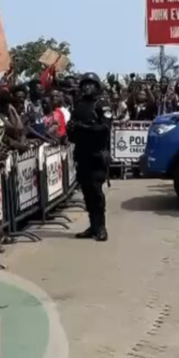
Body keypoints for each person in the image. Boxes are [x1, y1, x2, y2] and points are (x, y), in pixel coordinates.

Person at [68, 72, 110, 242]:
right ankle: (93, 226)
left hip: (97, 154)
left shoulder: (102, 105)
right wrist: (72, 129)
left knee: (96, 192)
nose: (87, 87)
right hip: (82, 154)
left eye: (90, 84)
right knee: (87, 192)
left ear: (97, 86)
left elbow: (104, 128)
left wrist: (84, 128)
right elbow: (72, 132)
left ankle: (101, 228)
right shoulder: (79, 106)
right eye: (84, 84)